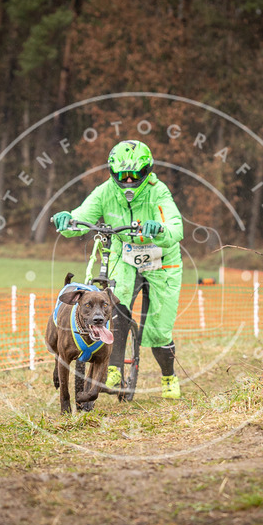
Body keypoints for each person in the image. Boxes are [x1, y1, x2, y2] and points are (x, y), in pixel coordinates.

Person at [52, 139, 184, 399]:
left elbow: (175, 226)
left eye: (135, 174)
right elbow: (82, 216)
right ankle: (112, 368)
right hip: (124, 256)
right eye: (123, 175)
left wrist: (160, 229)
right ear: (113, 173)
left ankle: (168, 375)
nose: (129, 180)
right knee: (114, 304)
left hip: (162, 260)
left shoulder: (158, 192)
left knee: (159, 328)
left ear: (147, 172)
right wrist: (67, 220)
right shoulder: (105, 192)